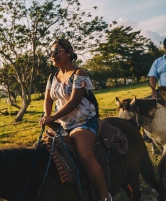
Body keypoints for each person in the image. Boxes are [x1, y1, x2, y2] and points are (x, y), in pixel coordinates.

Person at [39, 39, 112, 201]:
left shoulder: (79, 74)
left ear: (69, 52)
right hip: (62, 122)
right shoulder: (52, 77)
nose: (53, 55)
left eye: (57, 51)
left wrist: (53, 117)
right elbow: (48, 100)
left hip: (83, 120)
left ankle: (104, 195)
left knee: (85, 154)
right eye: (51, 52)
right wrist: (47, 117)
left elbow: (74, 101)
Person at [144, 36, 166, 143]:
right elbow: (153, 76)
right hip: (163, 91)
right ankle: (147, 134)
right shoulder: (158, 62)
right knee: (145, 105)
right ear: (165, 47)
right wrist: (153, 90)